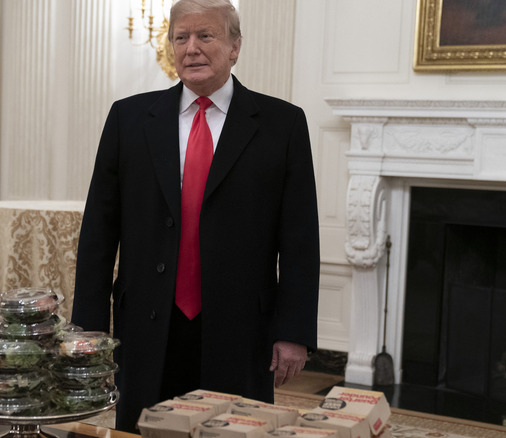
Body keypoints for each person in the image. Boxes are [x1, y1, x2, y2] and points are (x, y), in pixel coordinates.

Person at [71, 0, 320, 432]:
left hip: (240, 327)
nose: (192, 49)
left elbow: (299, 238)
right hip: (148, 322)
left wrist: (293, 331)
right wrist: (90, 328)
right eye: (181, 38)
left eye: (206, 36)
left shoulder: (283, 124)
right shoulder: (128, 118)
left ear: (235, 46)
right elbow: (99, 229)